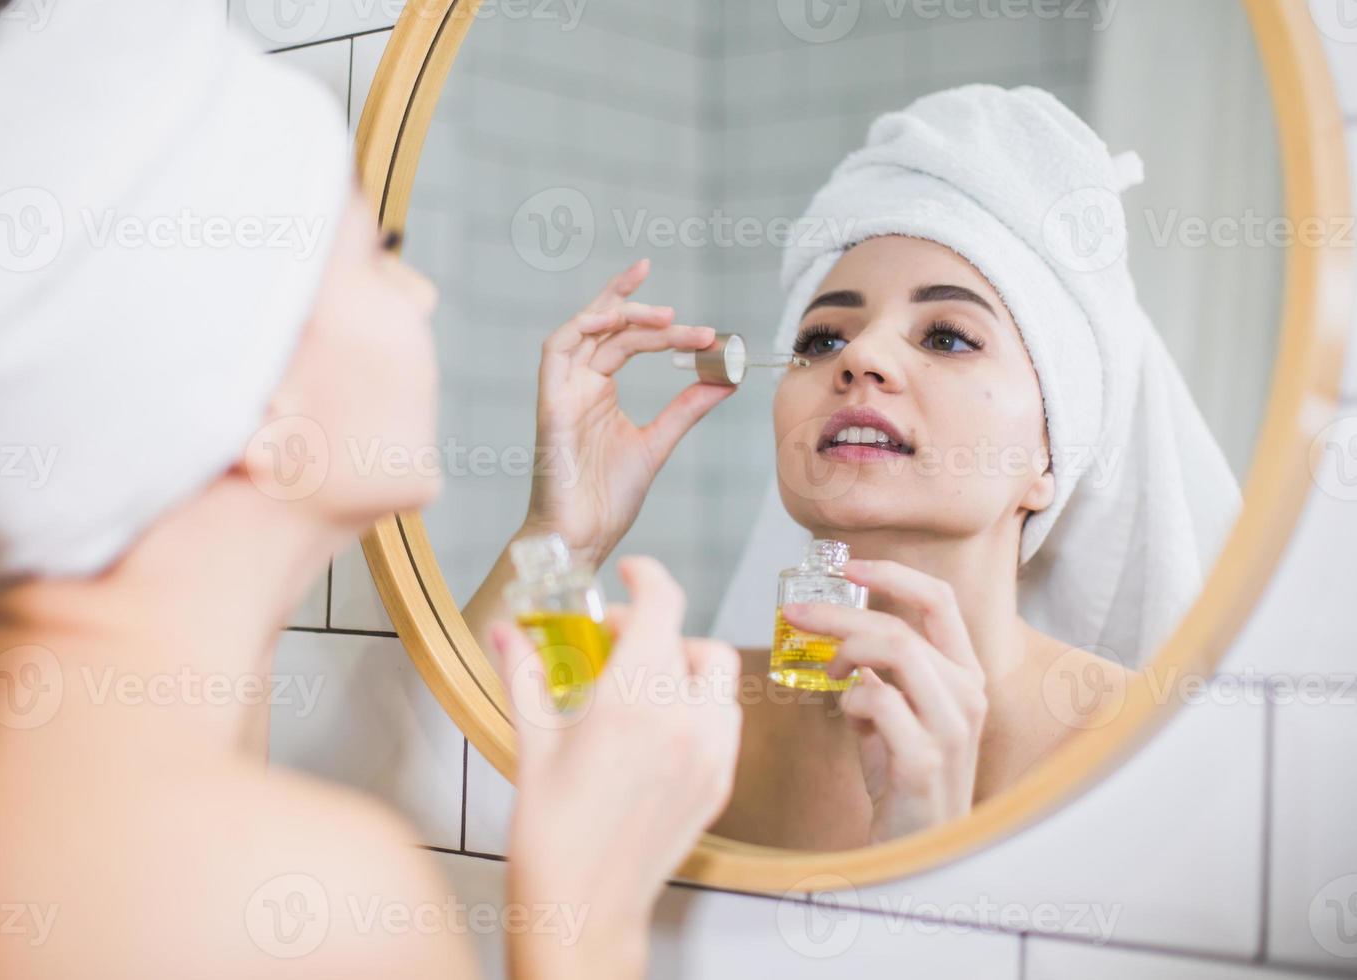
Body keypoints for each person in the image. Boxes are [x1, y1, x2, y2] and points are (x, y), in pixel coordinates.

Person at [0, 4, 740, 977]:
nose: (420, 292)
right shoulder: (333, 902)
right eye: (379, 251)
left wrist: (561, 529)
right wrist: (586, 922)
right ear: (243, 386)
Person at [462, 84, 1241, 849]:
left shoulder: (1153, 749)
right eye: (822, 340)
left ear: (1053, 451)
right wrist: (565, 528)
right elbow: (445, 787)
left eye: (946, 336)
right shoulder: (694, 709)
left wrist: (926, 849)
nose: (861, 356)